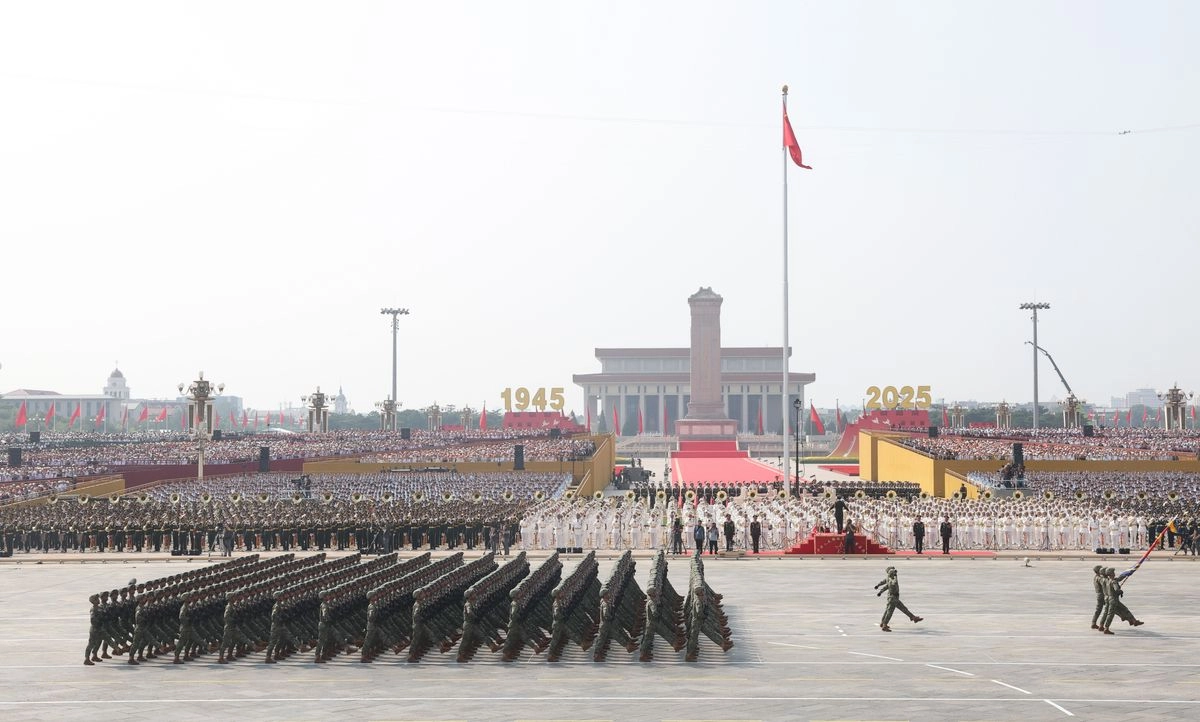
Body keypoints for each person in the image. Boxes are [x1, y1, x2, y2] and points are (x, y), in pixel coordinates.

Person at [874, 566, 922, 632]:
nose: (895, 573)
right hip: (893, 598)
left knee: (895, 609)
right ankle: (884, 625)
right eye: (893, 572)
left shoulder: (888, 578)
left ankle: (883, 623)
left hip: (892, 597)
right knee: (891, 611)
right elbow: (893, 583)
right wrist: (895, 577)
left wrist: (879, 589)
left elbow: (885, 585)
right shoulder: (892, 579)